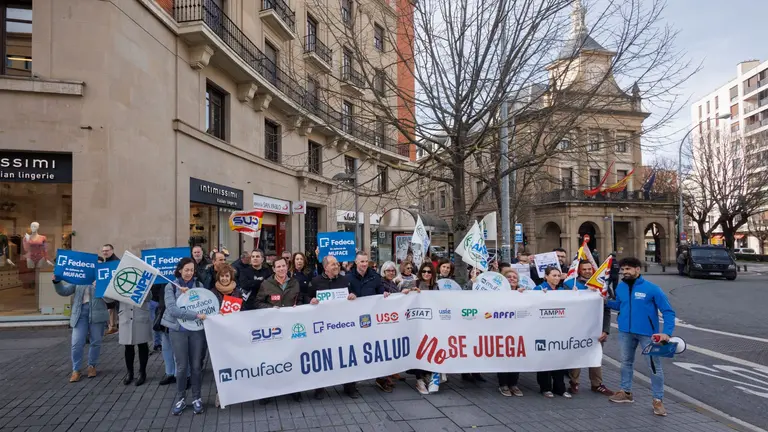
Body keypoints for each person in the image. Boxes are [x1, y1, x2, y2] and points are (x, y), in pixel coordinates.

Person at [607, 257, 676, 417]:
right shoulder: (621, 287)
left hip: (648, 335)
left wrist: (667, 332)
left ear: (638, 269)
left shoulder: (652, 289)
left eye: (628, 269)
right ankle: (626, 392)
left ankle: (658, 400)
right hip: (626, 331)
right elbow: (620, 305)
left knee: (654, 367)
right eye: (622, 270)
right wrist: (605, 302)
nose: (624, 272)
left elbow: (668, 311)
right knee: (625, 362)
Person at [161, 258, 208, 416]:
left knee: (196, 366)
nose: (189, 273)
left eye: (192, 270)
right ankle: (180, 399)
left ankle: (196, 398)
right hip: (178, 330)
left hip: (196, 332)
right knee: (181, 367)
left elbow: (206, 305)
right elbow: (173, 310)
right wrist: (195, 315)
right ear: (180, 270)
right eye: (186, 269)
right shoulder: (171, 286)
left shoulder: (198, 286)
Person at [254, 257, 304, 402]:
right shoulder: (266, 284)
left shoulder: (295, 283)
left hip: (290, 326)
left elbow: (299, 299)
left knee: (291, 357)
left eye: (283, 266)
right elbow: (257, 302)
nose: (281, 269)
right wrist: (270, 308)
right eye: (278, 267)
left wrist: (298, 305)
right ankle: (268, 392)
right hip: (273, 328)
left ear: (287, 267)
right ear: (274, 269)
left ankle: (293, 389)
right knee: (271, 359)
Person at [308, 255, 356, 400]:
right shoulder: (316, 282)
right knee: (323, 356)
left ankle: (350, 387)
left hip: (342, 325)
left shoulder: (345, 280)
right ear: (325, 267)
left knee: (346, 356)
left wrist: (354, 295)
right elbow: (306, 297)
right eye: (333, 264)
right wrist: (310, 300)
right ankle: (320, 388)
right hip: (323, 327)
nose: (337, 266)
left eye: (337, 264)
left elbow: (354, 294)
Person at [563, 260, 614, 396]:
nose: (587, 271)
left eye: (589, 269)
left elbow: (607, 309)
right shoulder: (570, 285)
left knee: (596, 356)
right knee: (576, 355)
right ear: (579, 271)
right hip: (577, 327)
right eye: (584, 269)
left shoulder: (602, 285)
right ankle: (574, 383)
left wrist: (606, 330)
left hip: (596, 328)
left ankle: (597, 384)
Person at [53, 277, 109, 382]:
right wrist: (56, 282)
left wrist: (101, 288)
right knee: (77, 342)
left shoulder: (102, 276)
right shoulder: (80, 276)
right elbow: (64, 291)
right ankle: (76, 369)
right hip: (79, 313)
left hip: (98, 313)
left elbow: (110, 299)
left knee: (96, 341)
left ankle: (92, 366)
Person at [533, 266, 571, 399]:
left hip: (558, 331)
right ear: (546, 277)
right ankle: (545, 387)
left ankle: (560, 388)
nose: (556, 278)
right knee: (544, 360)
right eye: (553, 275)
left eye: (558, 275)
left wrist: (577, 294)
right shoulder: (539, 289)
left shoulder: (562, 290)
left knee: (559, 360)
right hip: (542, 331)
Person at [498, 267, 524, 397]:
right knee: (503, 357)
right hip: (502, 329)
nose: (512, 279)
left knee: (516, 356)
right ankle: (503, 384)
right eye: (509, 277)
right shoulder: (497, 293)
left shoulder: (523, 292)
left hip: (518, 330)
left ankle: (514, 384)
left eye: (515, 277)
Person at [113, 300, 152, 386]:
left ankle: (142, 372)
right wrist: (101, 289)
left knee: (142, 344)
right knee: (128, 346)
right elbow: (109, 299)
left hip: (140, 314)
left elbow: (149, 296)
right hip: (125, 315)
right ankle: (129, 372)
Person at [101, 244, 120, 335]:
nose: (105, 252)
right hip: (110, 290)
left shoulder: (115, 262)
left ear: (112, 250)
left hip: (115, 291)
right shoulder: (107, 261)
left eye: (107, 250)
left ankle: (113, 327)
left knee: (114, 308)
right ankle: (112, 326)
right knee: (111, 308)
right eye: (103, 251)